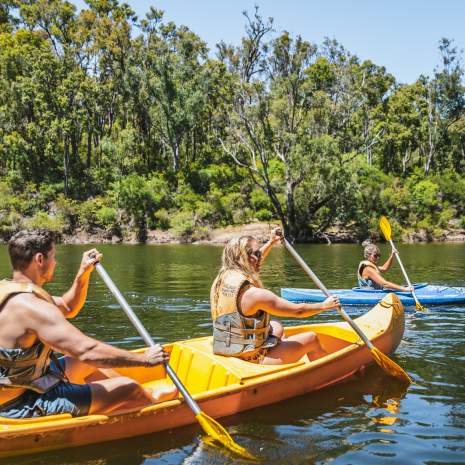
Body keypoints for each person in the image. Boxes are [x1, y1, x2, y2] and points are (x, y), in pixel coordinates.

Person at [0, 229, 177, 419]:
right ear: (40, 259)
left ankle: (129, 397)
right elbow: (86, 350)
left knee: (82, 364)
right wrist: (146, 360)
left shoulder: (11, 291)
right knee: (129, 388)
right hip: (21, 404)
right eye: (53, 257)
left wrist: (83, 273)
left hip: (27, 385)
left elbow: (68, 307)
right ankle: (143, 398)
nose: (55, 263)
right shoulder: (34, 308)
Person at [210, 229, 340, 365]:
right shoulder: (255, 295)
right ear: (245, 258)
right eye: (256, 253)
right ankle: (328, 369)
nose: (260, 256)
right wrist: (324, 306)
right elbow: (298, 311)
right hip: (252, 358)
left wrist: (271, 242)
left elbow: (257, 260)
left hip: (227, 349)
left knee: (276, 326)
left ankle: (283, 351)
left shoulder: (222, 278)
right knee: (311, 339)